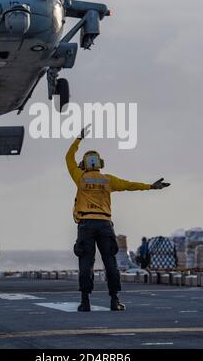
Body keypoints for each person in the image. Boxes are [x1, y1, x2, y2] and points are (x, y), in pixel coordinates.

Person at [66, 125, 171, 312]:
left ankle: (85, 302)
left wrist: (78, 139)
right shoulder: (108, 180)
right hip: (105, 225)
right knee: (110, 263)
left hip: (86, 225)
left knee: (85, 263)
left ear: (84, 164)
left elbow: (68, 158)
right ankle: (115, 300)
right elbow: (129, 185)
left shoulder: (80, 178)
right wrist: (151, 187)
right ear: (100, 163)